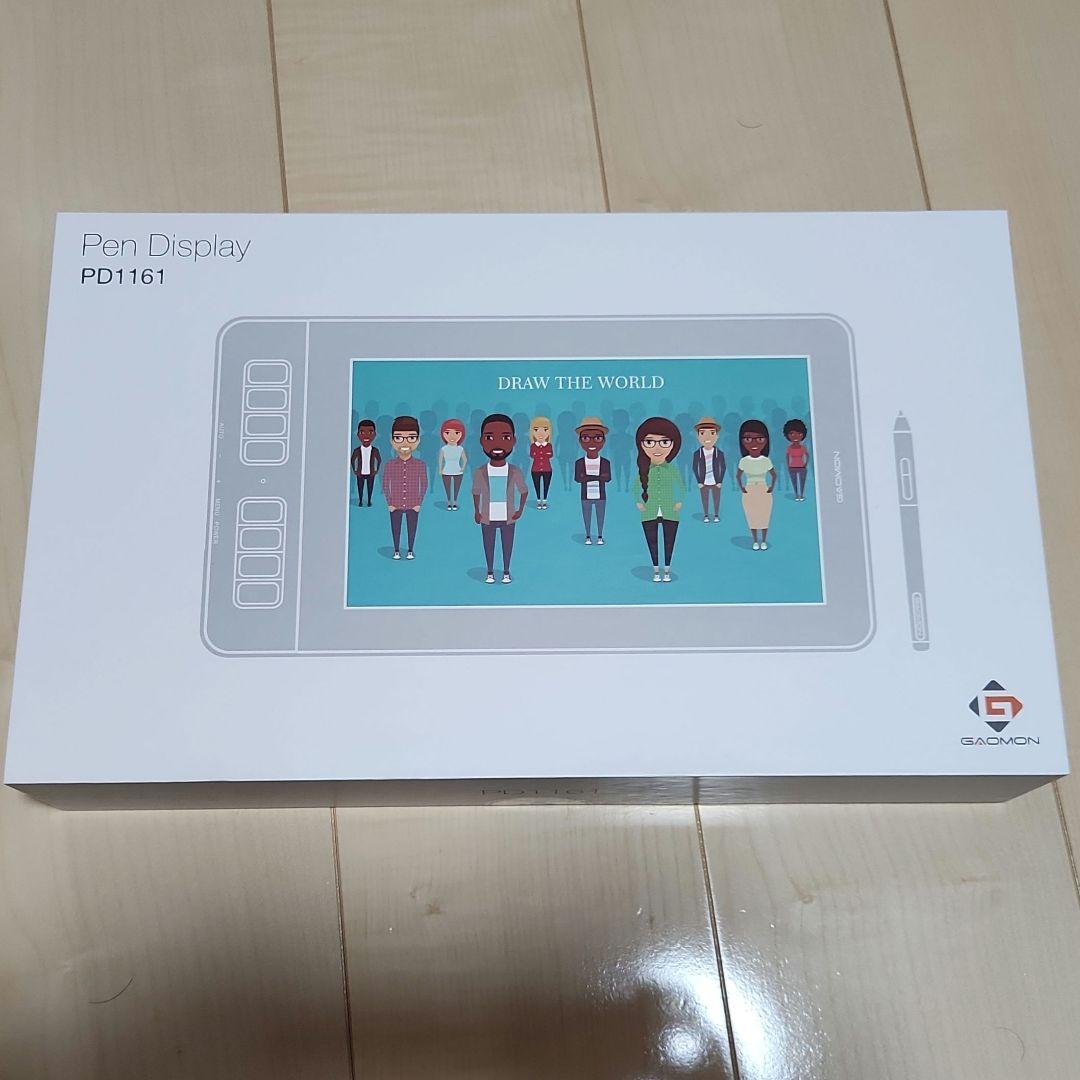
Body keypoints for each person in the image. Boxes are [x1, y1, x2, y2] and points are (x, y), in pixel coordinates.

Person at [472, 413, 528, 584]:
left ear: (513, 441)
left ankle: (506, 571)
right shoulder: (480, 472)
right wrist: (477, 511)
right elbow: (476, 492)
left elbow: (524, 491)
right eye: (490, 437)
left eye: (505, 437)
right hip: (487, 516)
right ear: (482, 441)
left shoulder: (515, 471)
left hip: (508, 516)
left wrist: (520, 510)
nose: (497, 444)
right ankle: (489, 572)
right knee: (488, 545)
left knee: (507, 545)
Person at [635, 417, 685, 583]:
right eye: (650, 442)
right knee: (652, 542)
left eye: (664, 442)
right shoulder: (644, 470)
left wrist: (679, 501)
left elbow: (681, 486)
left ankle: (667, 569)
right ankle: (656, 570)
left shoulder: (671, 469)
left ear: (673, 445)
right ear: (642, 445)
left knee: (669, 542)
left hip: (670, 510)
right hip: (649, 510)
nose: (657, 448)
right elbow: (636, 487)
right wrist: (638, 501)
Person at [381, 415, 427, 560]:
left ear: (418, 440)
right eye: (399, 438)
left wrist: (419, 502)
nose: (405, 443)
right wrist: (389, 502)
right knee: (395, 528)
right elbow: (385, 484)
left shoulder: (420, 465)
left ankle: (410, 550)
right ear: (392, 441)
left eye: (411, 438)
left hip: (413, 504)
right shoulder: (389, 465)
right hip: (395, 503)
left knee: (412, 528)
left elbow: (424, 484)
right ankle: (396, 550)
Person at [736, 419, 777, 550]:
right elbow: (738, 475)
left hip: (763, 489)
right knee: (752, 515)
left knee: (764, 515)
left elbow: (774, 475)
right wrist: (742, 488)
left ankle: (763, 540)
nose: (754, 443)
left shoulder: (765, 460)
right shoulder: (744, 461)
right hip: (749, 490)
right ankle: (755, 540)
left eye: (759, 439)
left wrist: (771, 487)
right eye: (748, 439)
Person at [573, 417, 612, 545]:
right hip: (585, 495)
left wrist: (588, 477)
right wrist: (597, 477)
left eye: (597, 438)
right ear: (580, 441)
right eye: (585, 438)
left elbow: (607, 478)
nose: (591, 443)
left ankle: (600, 536)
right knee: (587, 516)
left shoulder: (605, 462)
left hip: (601, 496)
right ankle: (588, 536)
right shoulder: (579, 462)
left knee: (601, 516)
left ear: (603, 441)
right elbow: (578, 478)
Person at [691, 417, 726, 522]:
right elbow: (694, 467)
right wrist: (699, 481)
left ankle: (716, 515)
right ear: (698, 436)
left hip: (716, 481)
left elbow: (723, 467)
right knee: (705, 499)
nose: (707, 437)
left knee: (716, 498)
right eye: (702, 433)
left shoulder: (719, 453)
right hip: (703, 481)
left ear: (717, 436)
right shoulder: (697, 453)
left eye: (712, 433)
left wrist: (720, 481)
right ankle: (706, 515)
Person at [349, 419, 382, 506]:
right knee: (360, 488)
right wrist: (355, 470)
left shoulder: (375, 450)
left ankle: (369, 501)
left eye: (370, 432)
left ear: (374, 434)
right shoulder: (357, 450)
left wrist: (376, 470)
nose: (366, 435)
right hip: (360, 473)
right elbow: (352, 460)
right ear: (358, 434)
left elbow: (379, 460)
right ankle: (360, 501)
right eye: (362, 432)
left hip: (371, 473)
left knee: (370, 488)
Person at [437, 418, 468, 510]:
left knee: (456, 487)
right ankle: (448, 502)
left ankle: (454, 502)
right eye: (447, 433)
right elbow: (440, 459)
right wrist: (440, 469)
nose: (452, 436)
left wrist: (463, 468)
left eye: (456, 433)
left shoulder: (460, 449)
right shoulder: (444, 449)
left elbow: (465, 459)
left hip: (458, 471)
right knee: (447, 487)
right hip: (446, 470)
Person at [528, 416, 554, 508]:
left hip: (547, 469)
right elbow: (532, 455)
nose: (541, 433)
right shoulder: (533, 446)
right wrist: (543, 454)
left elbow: (550, 454)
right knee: (537, 485)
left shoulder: (549, 445)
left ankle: (545, 500)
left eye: (545, 430)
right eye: (536, 430)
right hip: (535, 469)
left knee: (546, 485)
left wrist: (539, 454)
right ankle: (539, 500)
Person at [783, 418, 810, 501]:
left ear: (803, 435)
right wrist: (788, 465)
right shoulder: (789, 448)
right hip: (792, 467)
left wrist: (805, 464)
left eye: (799, 433)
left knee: (802, 481)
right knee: (794, 482)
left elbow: (807, 455)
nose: (795, 436)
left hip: (802, 467)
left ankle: (801, 495)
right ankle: (796, 495)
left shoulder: (803, 448)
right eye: (792, 433)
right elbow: (787, 456)